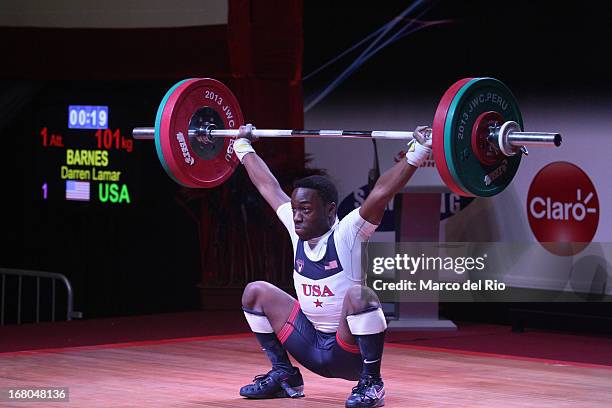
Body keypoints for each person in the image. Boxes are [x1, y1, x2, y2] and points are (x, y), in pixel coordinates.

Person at [234, 124, 432, 408]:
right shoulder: (295, 224)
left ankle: (371, 383)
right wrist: (243, 146)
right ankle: (285, 375)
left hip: (348, 352)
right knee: (256, 292)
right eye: (295, 209)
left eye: (305, 209)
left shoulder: (349, 232)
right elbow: (268, 185)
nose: (297, 217)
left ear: (329, 210)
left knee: (359, 295)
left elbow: (381, 192)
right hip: (309, 344)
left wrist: (420, 150)